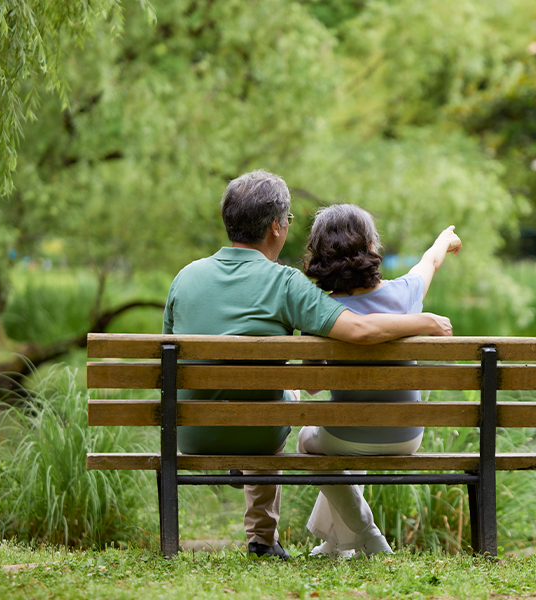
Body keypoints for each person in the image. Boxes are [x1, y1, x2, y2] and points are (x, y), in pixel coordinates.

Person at [162, 171, 452, 560]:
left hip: (190, 433)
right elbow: (361, 328)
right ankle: (263, 540)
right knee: (282, 398)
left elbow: (166, 358)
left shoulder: (184, 278)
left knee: (289, 401)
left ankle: (333, 541)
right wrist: (425, 321)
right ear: (276, 227)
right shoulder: (284, 283)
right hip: (258, 438)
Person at [297, 203, 461, 557]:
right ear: (372, 247)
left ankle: (365, 533)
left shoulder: (321, 311)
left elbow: (311, 386)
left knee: (309, 441)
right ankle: (337, 541)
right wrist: (444, 240)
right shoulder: (407, 293)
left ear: (321, 257)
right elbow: (429, 262)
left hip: (346, 438)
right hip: (406, 438)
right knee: (340, 443)